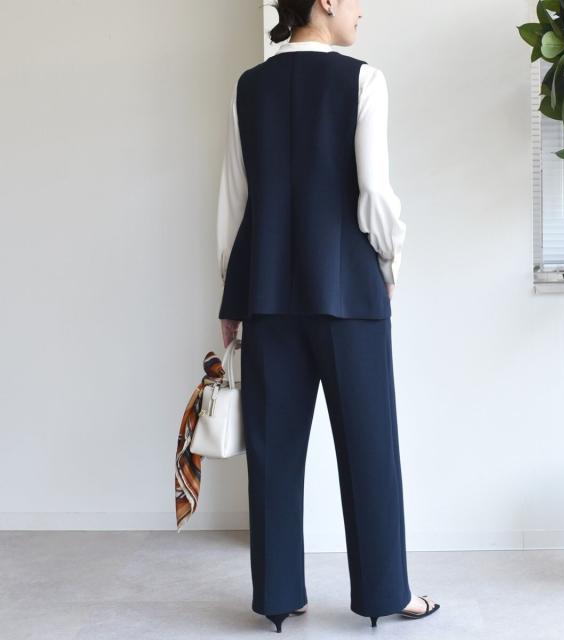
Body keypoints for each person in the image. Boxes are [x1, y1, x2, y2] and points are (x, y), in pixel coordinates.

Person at [216, 0, 440, 632]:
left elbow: (234, 197)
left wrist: (230, 295)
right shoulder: (363, 79)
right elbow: (375, 193)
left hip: (266, 294)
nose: (362, 11)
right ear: (327, 2)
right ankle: (384, 593)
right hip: (349, 294)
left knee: (273, 451)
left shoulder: (249, 86)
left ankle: (279, 597)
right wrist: (389, 265)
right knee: (370, 448)